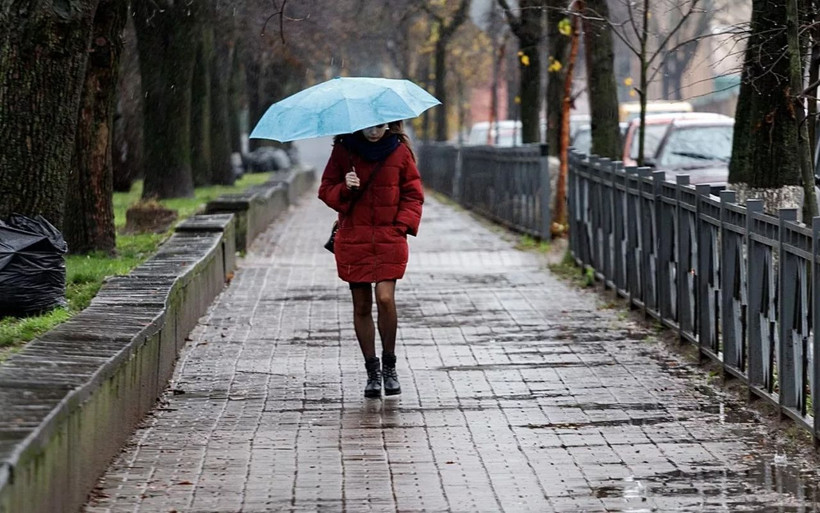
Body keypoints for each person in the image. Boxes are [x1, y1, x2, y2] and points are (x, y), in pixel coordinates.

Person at [318, 121, 424, 398]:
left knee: (385, 298)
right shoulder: (344, 151)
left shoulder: (399, 151)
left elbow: (413, 194)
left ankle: (389, 365)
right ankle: (372, 372)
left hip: (389, 238)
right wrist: (345, 187)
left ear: (389, 124)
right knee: (362, 304)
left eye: (379, 126)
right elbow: (326, 189)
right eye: (368, 127)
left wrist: (400, 226)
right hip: (354, 238)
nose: (374, 132)